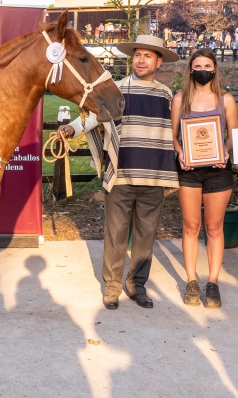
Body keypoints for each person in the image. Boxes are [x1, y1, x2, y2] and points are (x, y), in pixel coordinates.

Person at [58, 34, 180, 310]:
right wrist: (72, 128)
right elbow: (92, 115)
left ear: (158, 62)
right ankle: (112, 287)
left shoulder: (166, 94)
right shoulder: (117, 89)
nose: (141, 60)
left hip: (154, 175)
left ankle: (137, 284)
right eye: (137, 55)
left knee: (145, 236)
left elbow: (176, 131)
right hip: (122, 172)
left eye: (148, 56)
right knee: (115, 233)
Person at [171, 48, 238, 309]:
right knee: (190, 226)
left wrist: (226, 151)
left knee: (214, 228)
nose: (203, 70)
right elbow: (173, 135)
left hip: (218, 170)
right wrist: (180, 154)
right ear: (190, 70)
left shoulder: (226, 100)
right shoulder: (180, 99)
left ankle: (212, 282)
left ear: (214, 70)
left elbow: (233, 134)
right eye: (197, 65)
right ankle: (190, 281)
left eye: (207, 66)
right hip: (188, 170)